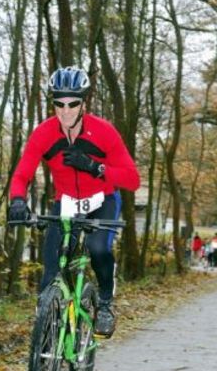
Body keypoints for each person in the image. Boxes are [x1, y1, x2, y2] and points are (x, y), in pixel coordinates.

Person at [8, 66, 140, 338]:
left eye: (72, 104)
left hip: (102, 199)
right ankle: (48, 339)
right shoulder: (44, 133)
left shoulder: (104, 132)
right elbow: (22, 174)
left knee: (97, 248)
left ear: (83, 104)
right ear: (53, 103)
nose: (65, 111)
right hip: (67, 203)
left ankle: (105, 303)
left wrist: (95, 167)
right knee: (51, 268)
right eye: (59, 104)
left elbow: (132, 179)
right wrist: (18, 200)